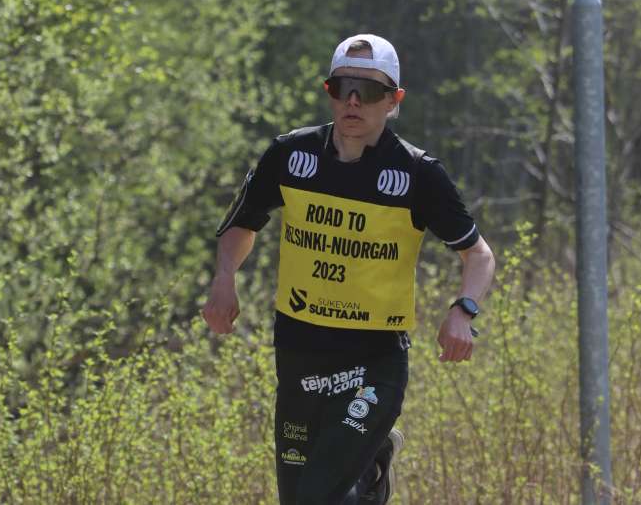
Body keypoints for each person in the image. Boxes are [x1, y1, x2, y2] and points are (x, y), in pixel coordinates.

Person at [202, 33, 496, 504]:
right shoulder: (290, 154)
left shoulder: (418, 174)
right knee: (301, 497)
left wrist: (464, 310)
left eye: (370, 90)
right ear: (329, 93)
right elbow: (242, 223)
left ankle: (369, 462)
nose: (353, 101)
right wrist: (224, 279)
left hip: (373, 360)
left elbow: (478, 255)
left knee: (316, 498)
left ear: (394, 101)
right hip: (299, 349)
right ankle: (372, 469)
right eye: (343, 88)